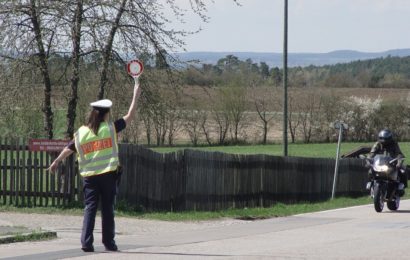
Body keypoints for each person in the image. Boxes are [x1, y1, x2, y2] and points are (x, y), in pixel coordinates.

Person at [48, 76, 142, 252]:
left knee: (90, 209)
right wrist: (135, 94)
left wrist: (56, 161)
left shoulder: (81, 133)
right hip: (108, 175)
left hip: (89, 178)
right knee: (108, 210)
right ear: (106, 113)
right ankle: (109, 243)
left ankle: (86, 243)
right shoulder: (110, 128)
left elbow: (70, 148)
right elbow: (130, 116)